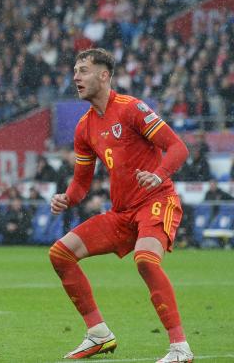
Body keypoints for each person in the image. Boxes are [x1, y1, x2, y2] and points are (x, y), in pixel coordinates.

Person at [49, 49, 193, 362]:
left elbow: (178, 148)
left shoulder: (131, 109)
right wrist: (66, 198)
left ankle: (180, 348)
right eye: (75, 70)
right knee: (60, 254)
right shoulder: (84, 127)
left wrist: (157, 176)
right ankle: (98, 334)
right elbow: (81, 184)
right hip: (123, 214)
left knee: (145, 260)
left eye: (84, 70)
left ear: (104, 75)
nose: (76, 77)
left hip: (157, 201)